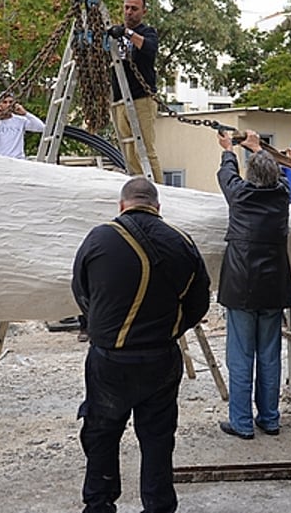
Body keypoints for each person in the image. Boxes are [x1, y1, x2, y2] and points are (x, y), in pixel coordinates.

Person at [72, 177, 211, 513]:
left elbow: (80, 290)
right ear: (158, 207)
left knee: (102, 435)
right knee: (158, 440)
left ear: (122, 205)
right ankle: (159, 506)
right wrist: (172, 330)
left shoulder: (99, 237)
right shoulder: (182, 242)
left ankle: (99, 504)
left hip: (110, 359)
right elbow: (199, 303)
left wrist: (105, 327)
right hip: (161, 357)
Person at [215, 129, 291, 439]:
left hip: (241, 287)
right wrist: (258, 147)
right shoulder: (283, 195)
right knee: (270, 356)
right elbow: (280, 174)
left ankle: (242, 423)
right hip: (274, 288)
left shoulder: (240, 195)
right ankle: (270, 419)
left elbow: (226, 174)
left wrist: (227, 149)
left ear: (250, 177)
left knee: (240, 357)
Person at [109, 0, 162, 183]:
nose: (129, 12)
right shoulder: (114, 34)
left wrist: (127, 33)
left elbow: (149, 48)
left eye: (134, 8)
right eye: (126, 7)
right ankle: (139, 186)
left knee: (146, 149)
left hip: (141, 99)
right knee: (129, 152)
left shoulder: (148, 32)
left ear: (143, 11)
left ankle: (159, 189)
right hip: (120, 99)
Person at [0, 92, 45, 159]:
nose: (8, 105)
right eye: (4, 102)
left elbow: (42, 128)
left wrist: (26, 114)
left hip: (17, 159)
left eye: (10, 102)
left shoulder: (20, 120)